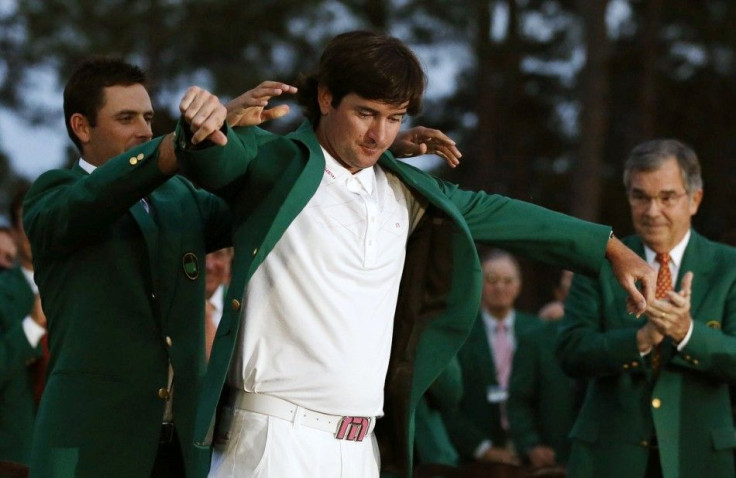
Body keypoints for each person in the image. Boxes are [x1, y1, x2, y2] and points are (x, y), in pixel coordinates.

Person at [177, 31, 655, 478]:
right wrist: (206, 127)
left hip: (364, 449)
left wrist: (609, 247)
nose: (379, 135)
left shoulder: (406, 191)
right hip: (271, 444)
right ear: (325, 98)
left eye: (395, 117)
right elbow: (216, 162)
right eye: (366, 113)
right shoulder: (273, 163)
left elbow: (504, 214)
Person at [23, 57, 239, 477]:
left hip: (179, 453)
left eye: (148, 117)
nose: (144, 130)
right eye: (126, 118)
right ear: (82, 127)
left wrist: (238, 137)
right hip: (91, 450)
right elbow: (96, 199)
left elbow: (255, 207)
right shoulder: (53, 195)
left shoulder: (181, 197)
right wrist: (179, 144)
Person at [557, 139, 736, 478]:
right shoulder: (600, 263)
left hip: (699, 459)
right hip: (607, 460)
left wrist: (687, 333)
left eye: (667, 197)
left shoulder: (730, 267)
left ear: (694, 199)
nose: (652, 211)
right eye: (641, 197)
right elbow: (570, 353)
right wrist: (639, 340)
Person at [442, 250, 538, 465]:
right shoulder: (461, 335)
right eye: (492, 280)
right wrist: (482, 449)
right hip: (476, 458)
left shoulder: (537, 329)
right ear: (480, 283)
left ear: (519, 285)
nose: (500, 287)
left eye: (508, 280)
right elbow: (448, 404)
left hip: (531, 453)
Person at [0, 186, 46, 465]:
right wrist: (32, 324)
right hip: (16, 457)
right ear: (15, 233)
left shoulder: (87, 289)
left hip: (76, 455)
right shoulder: (3, 291)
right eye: (26, 220)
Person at [507, 304, 577, 468]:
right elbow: (518, 400)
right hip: (553, 460)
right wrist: (531, 444)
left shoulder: (629, 336)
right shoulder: (537, 338)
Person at [204, 247, 233, 361]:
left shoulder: (242, 307)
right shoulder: (171, 308)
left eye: (218, 255)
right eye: (202, 255)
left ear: (229, 258)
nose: (208, 265)